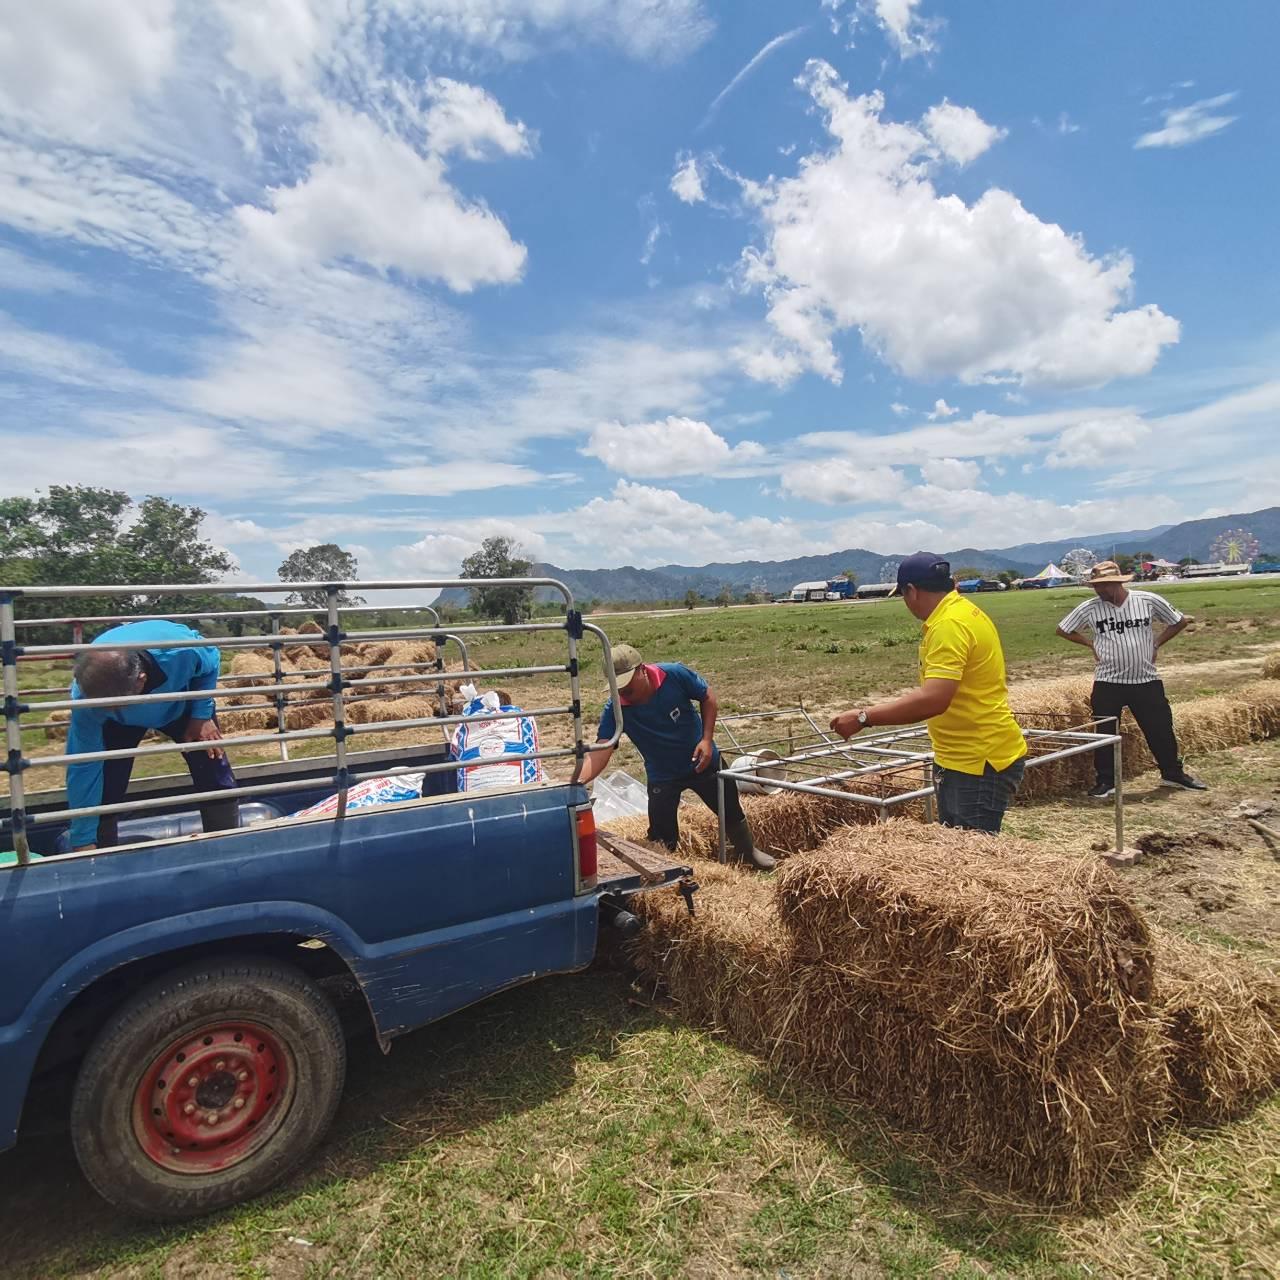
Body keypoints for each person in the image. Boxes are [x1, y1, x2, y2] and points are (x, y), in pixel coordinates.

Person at [830, 552, 1027, 833]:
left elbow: (934, 699)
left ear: (911, 590)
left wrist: (863, 717)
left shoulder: (949, 625)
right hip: (968, 756)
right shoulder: (959, 612)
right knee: (958, 853)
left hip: (977, 762)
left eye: (902, 595)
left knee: (971, 864)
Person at [577, 644, 774, 870]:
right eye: (618, 688)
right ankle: (665, 872)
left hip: (702, 761)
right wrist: (577, 781)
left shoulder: (674, 675)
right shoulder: (615, 708)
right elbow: (603, 748)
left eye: (627, 686)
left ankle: (747, 852)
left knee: (729, 808)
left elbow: (707, 695)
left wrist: (706, 740)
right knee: (662, 835)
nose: (623, 693)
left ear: (642, 670)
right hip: (662, 774)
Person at [65, 620, 240, 850]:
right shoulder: (89, 701)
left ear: (142, 680)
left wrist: (201, 714)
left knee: (212, 764)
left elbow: (211, 659)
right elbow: (83, 768)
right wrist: (82, 841)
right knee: (106, 783)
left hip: (180, 703)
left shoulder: (180, 651)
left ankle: (226, 845)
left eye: (114, 704)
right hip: (119, 721)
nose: (104, 708)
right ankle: (100, 852)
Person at [1056, 560, 1205, 798]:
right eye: (1096, 586)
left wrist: (1157, 642)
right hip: (1108, 682)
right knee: (1104, 732)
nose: (1099, 590)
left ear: (1118, 583)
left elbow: (1178, 621)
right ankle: (1106, 781)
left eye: (1104, 586)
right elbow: (1063, 629)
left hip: (1145, 679)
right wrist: (1089, 643)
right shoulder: (1090, 608)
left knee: (1160, 729)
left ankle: (1173, 774)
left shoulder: (1147, 600)